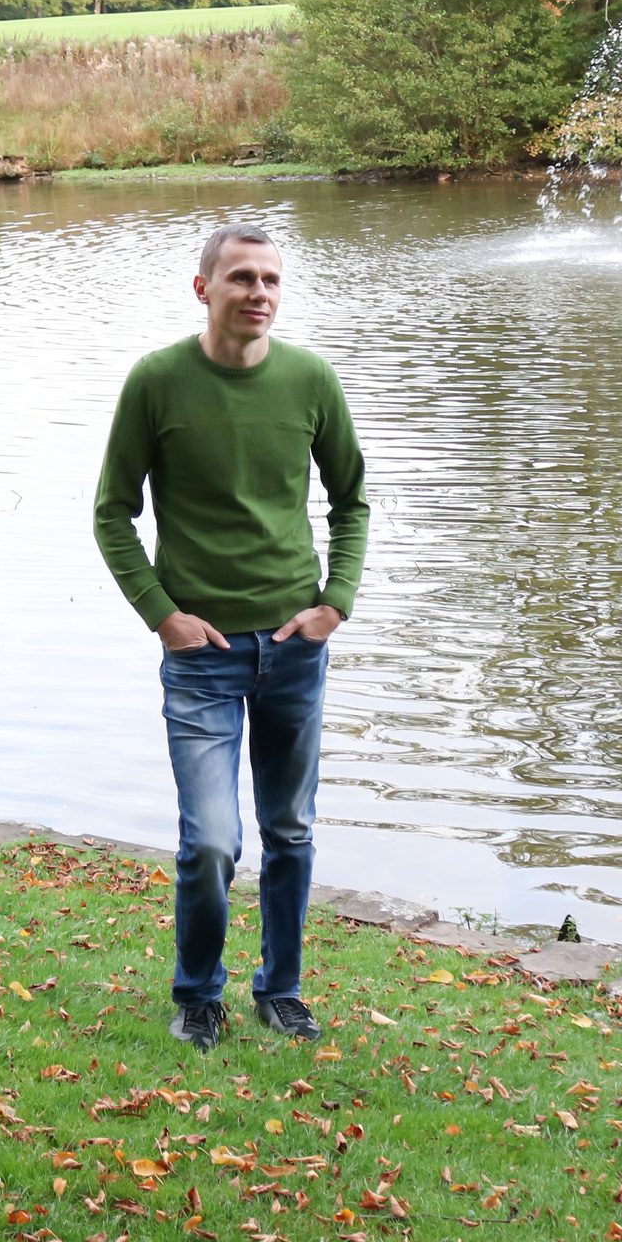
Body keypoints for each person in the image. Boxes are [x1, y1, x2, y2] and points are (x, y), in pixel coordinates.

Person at [94, 225, 369, 1052]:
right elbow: (113, 511)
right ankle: (197, 993)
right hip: (202, 658)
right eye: (242, 278)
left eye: (272, 280)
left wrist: (335, 604)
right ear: (203, 288)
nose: (259, 293)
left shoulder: (311, 379)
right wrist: (162, 614)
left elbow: (351, 500)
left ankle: (279, 990)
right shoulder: (157, 382)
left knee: (290, 830)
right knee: (211, 838)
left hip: (294, 647)